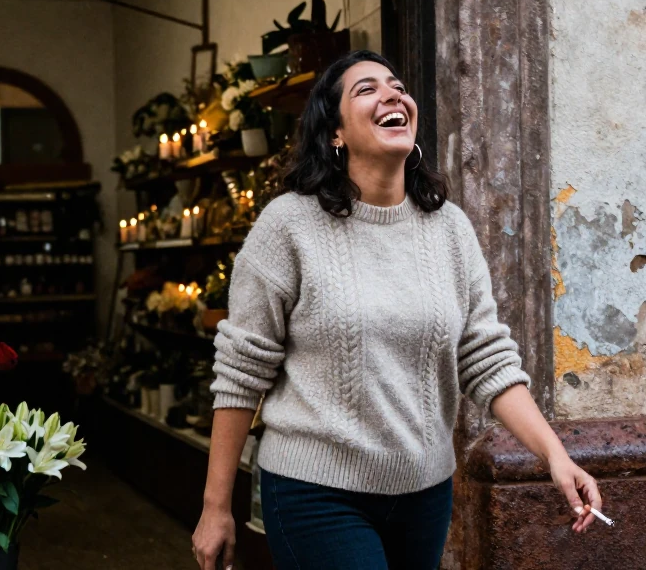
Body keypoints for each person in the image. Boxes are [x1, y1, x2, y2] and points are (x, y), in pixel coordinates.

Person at [191, 50, 601, 570]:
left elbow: (486, 358)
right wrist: (214, 508)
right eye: (365, 89)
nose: (392, 94)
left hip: (424, 495)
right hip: (315, 493)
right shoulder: (289, 227)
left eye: (397, 87)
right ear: (334, 133)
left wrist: (555, 456)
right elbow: (241, 372)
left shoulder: (449, 229)